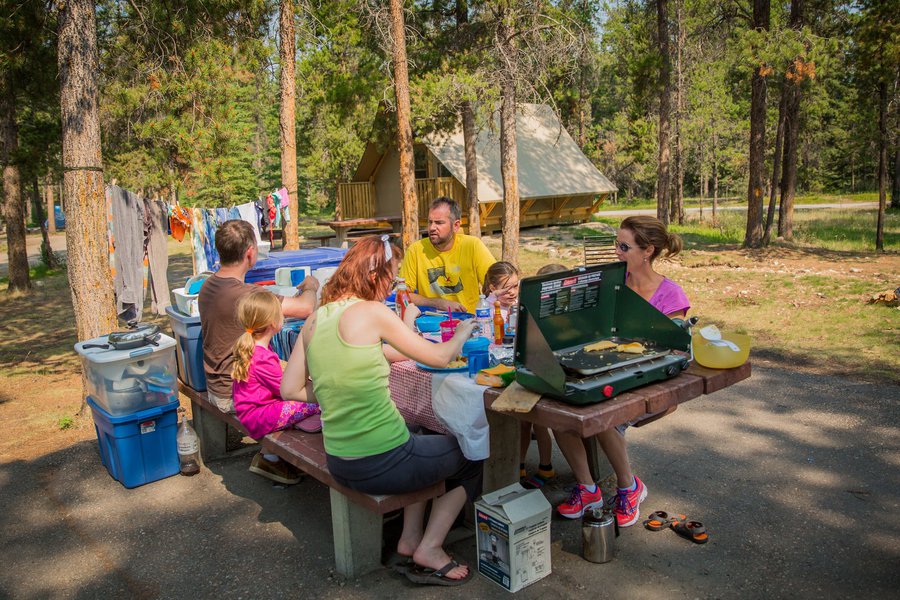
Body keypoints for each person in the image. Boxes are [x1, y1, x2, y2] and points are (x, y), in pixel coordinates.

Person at [281, 235, 482, 586]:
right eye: (393, 276)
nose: (394, 284)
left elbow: (291, 389)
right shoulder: (372, 312)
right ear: (375, 276)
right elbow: (438, 356)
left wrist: (334, 385)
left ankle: (409, 539)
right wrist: (462, 332)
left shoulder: (315, 320)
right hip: (383, 459)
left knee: (424, 433)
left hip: (342, 459)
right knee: (471, 454)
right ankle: (431, 549)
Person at [554, 216, 690, 526]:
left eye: (624, 246)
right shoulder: (613, 285)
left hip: (650, 383)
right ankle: (588, 488)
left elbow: (676, 353)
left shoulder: (671, 296)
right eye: (616, 244)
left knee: (602, 415)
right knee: (557, 412)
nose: (617, 252)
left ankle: (629, 487)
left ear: (648, 251)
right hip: (611, 373)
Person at [199, 220, 318, 483]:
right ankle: (274, 456)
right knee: (312, 400)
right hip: (237, 395)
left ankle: (273, 455)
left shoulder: (208, 286)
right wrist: (311, 286)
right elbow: (305, 308)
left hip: (220, 385)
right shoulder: (247, 295)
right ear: (250, 252)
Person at [231, 289, 321, 484]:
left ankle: (270, 457)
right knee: (316, 405)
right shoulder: (262, 357)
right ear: (273, 323)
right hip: (259, 416)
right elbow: (287, 389)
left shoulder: (254, 348)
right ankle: (273, 459)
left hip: (253, 412)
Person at [400, 197, 495, 313]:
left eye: (439, 223)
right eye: (430, 222)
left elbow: (495, 283)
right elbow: (402, 294)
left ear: (456, 226)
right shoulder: (415, 250)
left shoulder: (472, 245)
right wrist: (438, 303)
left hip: (470, 320)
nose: (432, 228)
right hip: (431, 325)